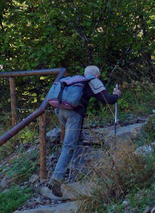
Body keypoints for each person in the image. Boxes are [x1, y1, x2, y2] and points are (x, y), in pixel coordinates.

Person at [43, 65, 120, 198]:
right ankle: (56, 179)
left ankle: (78, 173)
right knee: (69, 145)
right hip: (74, 114)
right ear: (97, 75)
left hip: (60, 111)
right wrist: (116, 95)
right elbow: (108, 100)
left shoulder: (76, 80)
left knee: (77, 140)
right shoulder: (93, 81)